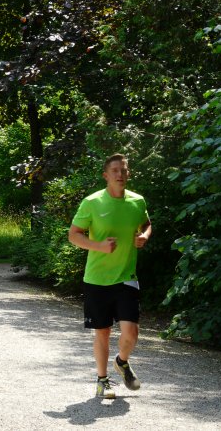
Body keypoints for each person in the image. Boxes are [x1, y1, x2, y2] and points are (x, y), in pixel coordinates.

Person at [68, 154, 152, 399]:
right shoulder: (92, 202)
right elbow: (74, 235)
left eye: (123, 170)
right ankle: (102, 380)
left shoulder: (137, 201)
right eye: (115, 170)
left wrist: (145, 236)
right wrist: (99, 246)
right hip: (97, 279)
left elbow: (147, 223)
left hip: (126, 275)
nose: (120, 174)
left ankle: (122, 362)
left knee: (131, 332)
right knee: (102, 331)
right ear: (106, 175)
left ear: (128, 174)